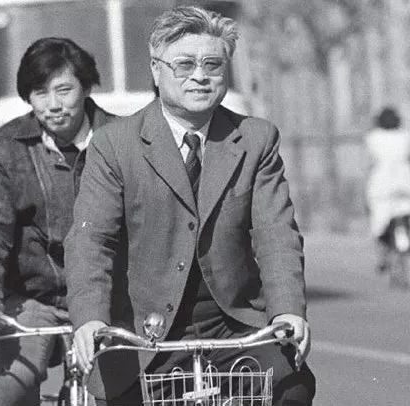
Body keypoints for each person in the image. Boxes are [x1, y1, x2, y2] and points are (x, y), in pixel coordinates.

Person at [65, 6, 315, 406]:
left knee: (291, 389)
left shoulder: (255, 139)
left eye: (212, 64)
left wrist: (288, 311)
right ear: (156, 69)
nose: (199, 76)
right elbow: (92, 241)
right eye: (184, 64)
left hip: (234, 328)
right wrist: (91, 319)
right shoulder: (114, 145)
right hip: (144, 336)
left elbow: (276, 232)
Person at [0, 37, 115, 405]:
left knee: (126, 390)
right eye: (40, 93)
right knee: (13, 386)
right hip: (34, 298)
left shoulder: (122, 139)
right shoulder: (4, 148)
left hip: (110, 298)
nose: (53, 105)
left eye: (64, 90)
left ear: (86, 87)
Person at [364, 106, 410, 278]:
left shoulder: (372, 138)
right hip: (404, 185)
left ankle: (383, 256)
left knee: (379, 225)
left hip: (381, 187)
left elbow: (367, 164)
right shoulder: (405, 136)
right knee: (404, 218)